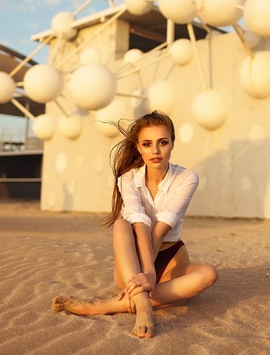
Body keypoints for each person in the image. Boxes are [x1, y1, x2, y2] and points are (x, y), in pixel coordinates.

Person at [51, 110, 218, 338]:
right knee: (122, 224)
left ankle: (107, 305)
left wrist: (151, 274)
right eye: (147, 144)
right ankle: (144, 306)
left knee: (209, 274)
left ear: (172, 144)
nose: (156, 151)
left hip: (171, 258)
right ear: (139, 148)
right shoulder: (127, 179)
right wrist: (146, 269)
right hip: (132, 263)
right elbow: (139, 222)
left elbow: (161, 227)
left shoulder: (187, 178)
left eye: (163, 142)